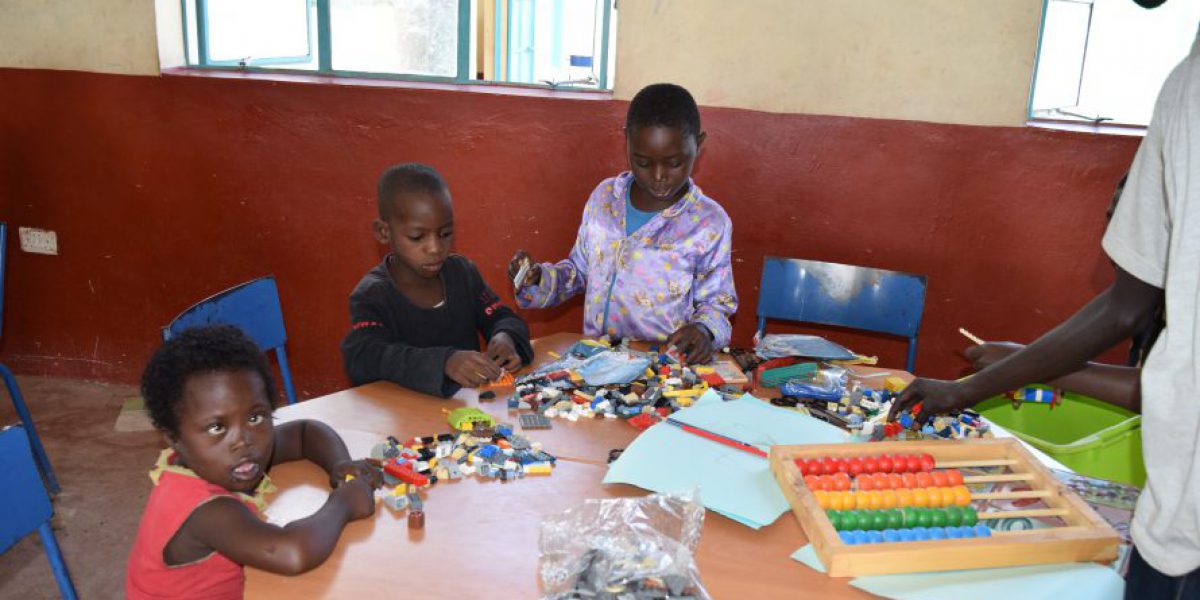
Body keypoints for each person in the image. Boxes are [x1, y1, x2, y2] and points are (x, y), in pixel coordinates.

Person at [890, 33, 1200, 598]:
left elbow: (1134, 332)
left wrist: (991, 378)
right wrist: (997, 374)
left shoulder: (1187, 92)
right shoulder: (1185, 86)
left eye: (1124, 217)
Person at [127, 325, 380, 599]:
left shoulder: (211, 458)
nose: (243, 441)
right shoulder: (205, 510)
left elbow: (305, 432)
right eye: (216, 428)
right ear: (173, 437)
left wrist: (339, 464)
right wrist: (343, 503)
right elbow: (291, 552)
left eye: (255, 417)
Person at [507, 83, 737, 364]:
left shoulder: (709, 223)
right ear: (626, 140)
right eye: (643, 163)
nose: (659, 176)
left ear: (698, 145)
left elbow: (717, 305)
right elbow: (579, 271)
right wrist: (540, 279)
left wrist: (704, 330)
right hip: (596, 363)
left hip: (664, 370)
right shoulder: (604, 198)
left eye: (674, 163)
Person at [341, 163, 533, 397]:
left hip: (469, 410)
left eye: (445, 234)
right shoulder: (373, 294)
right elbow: (363, 357)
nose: (435, 248)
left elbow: (501, 316)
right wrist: (444, 362)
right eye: (417, 237)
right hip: (406, 413)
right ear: (384, 232)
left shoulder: (462, 274)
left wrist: (506, 336)